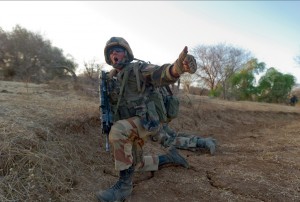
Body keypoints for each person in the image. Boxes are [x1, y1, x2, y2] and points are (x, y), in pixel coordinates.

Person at [96, 37, 197, 202]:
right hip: (131, 125)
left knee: (118, 131)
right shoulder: (110, 79)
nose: (114, 53)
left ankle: (124, 188)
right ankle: (170, 158)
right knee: (134, 163)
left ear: (127, 54)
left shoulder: (138, 69)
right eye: (111, 51)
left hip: (147, 121)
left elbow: (160, 73)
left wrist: (178, 68)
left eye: (118, 50)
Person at [152, 123, 217, 155]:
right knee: (173, 136)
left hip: (154, 128)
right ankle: (204, 141)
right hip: (157, 127)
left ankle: (203, 142)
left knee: (169, 140)